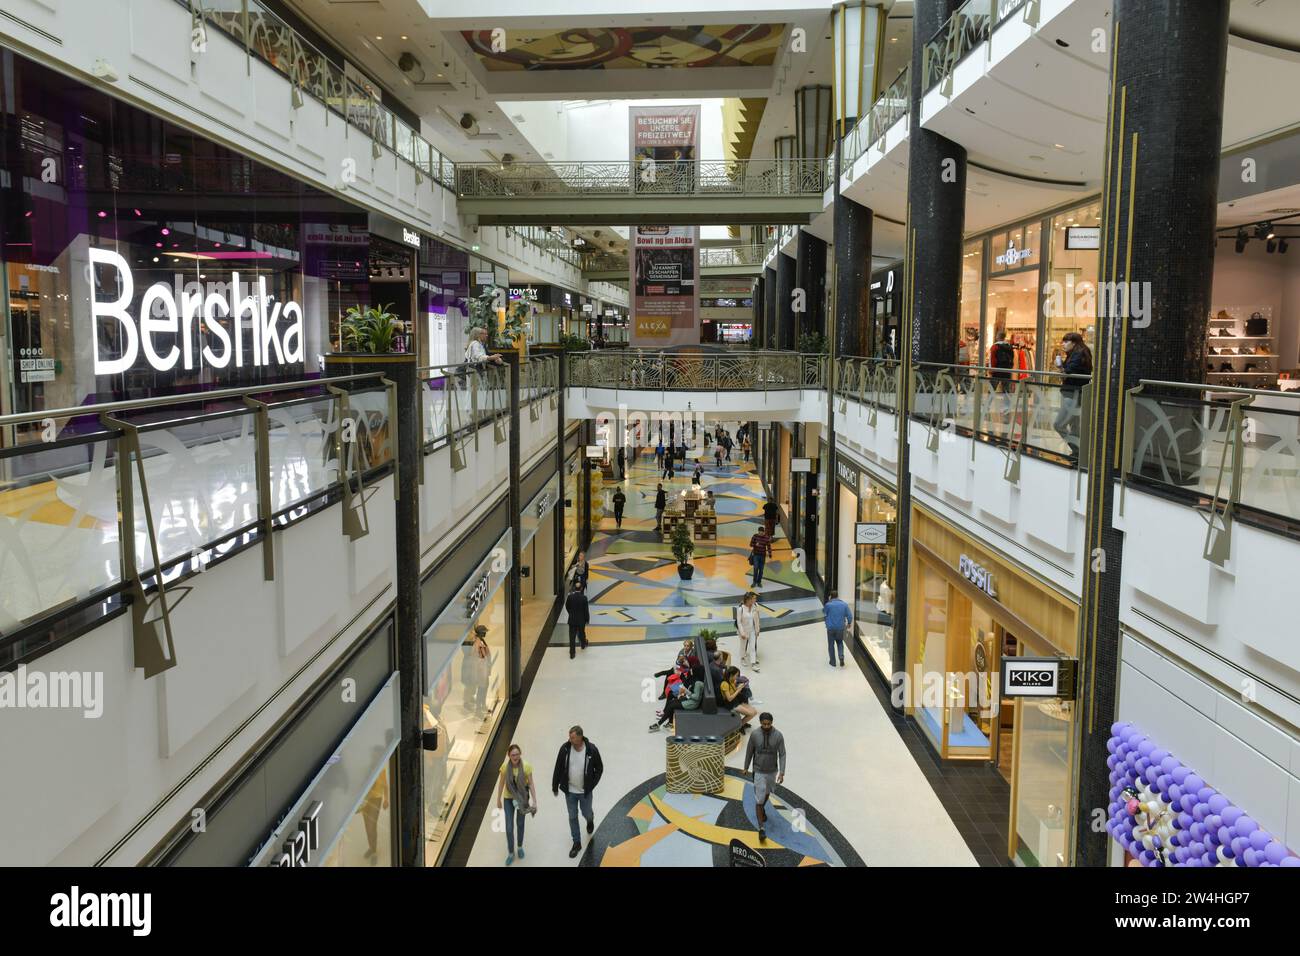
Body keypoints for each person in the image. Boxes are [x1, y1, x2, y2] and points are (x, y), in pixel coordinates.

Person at [551, 726, 604, 859]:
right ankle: (577, 842)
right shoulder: (565, 748)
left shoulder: (591, 750)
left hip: (585, 792)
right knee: (572, 816)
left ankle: (590, 819)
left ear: (580, 737)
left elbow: (600, 768)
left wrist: (592, 784)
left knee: (586, 812)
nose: (569, 739)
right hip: (570, 791)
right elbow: (558, 766)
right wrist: (555, 785)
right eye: (569, 737)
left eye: (572, 737)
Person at [743, 712, 786, 843]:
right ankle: (761, 829)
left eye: (768, 724)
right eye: (764, 724)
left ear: (772, 723)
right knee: (759, 800)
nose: (766, 726)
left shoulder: (778, 736)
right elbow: (749, 751)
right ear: (761, 723)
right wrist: (746, 766)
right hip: (759, 772)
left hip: (772, 771)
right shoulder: (755, 734)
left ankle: (762, 810)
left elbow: (782, 754)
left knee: (766, 794)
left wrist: (782, 772)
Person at [495, 744, 537, 865]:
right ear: (509, 755)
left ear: (520, 754)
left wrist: (535, 801)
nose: (515, 757)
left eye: (517, 754)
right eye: (513, 754)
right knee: (509, 827)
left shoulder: (526, 767)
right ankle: (511, 853)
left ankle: (519, 847)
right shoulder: (504, 767)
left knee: (520, 823)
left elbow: (531, 784)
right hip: (508, 799)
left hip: (521, 799)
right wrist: (498, 799)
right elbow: (501, 783)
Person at [1053, 331, 1093, 455]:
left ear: (1074, 342)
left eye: (1066, 341)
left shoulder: (1078, 354)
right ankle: (1079, 452)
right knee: (1074, 425)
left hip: (1072, 393)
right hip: (1075, 392)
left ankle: (1078, 450)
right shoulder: (1078, 353)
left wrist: (1060, 367)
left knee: (1059, 424)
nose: (1063, 344)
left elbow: (1068, 372)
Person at [649, 665, 705, 731]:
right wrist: (684, 693)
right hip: (688, 699)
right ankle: (670, 723)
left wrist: (686, 691)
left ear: (696, 671)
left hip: (692, 703)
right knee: (671, 702)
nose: (691, 670)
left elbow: (696, 697)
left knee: (672, 705)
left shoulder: (698, 683)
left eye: (692, 670)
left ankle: (659, 724)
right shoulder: (695, 679)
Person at [462, 625, 491, 717]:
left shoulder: (481, 641)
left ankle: (482, 706)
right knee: (481, 690)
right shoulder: (477, 644)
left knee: (484, 689)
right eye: (484, 632)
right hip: (480, 672)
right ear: (481, 633)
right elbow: (477, 660)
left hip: (484, 671)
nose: (485, 633)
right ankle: (479, 709)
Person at [823, 589, 852, 667]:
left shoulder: (828, 605)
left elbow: (824, 613)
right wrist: (849, 623)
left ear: (830, 596)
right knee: (840, 642)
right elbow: (849, 615)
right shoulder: (844, 604)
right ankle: (841, 656)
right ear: (837, 596)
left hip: (831, 628)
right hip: (840, 628)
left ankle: (833, 662)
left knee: (831, 644)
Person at [735, 590, 761, 670]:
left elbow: (757, 619)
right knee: (743, 646)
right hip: (744, 631)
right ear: (747, 600)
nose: (754, 600)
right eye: (752, 599)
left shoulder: (755, 606)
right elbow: (739, 622)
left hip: (752, 630)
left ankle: (753, 664)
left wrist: (757, 629)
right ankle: (742, 658)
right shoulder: (740, 609)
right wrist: (742, 633)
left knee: (752, 647)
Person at [565, 581, 589, 659]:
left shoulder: (570, 597)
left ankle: (572, 653)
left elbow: (567, 607)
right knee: (581, 633)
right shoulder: (584, 598)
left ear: (574, 588)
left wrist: (571, 613)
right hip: (581, 620)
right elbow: (586, 610)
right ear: (581, 588)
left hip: (572, 620)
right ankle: (583, 644)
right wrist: (587, 619)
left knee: (572, 637)